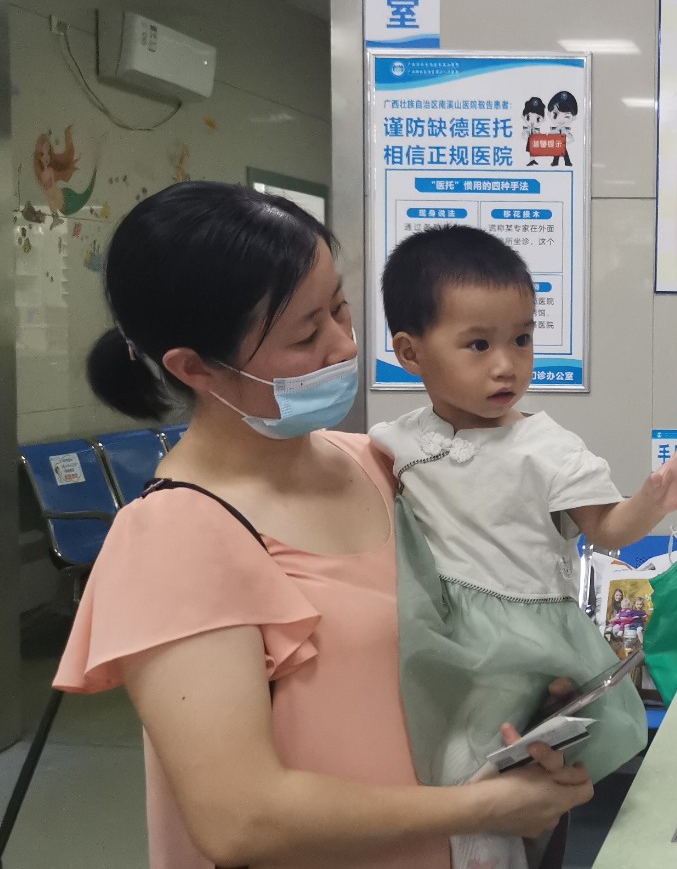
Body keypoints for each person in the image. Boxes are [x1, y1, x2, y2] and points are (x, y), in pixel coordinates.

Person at [57, 182, 592, 869]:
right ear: (195, 368)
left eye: (340, 308)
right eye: (306, 334)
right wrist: (486, 807)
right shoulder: (174, 538)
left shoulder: (384, 463)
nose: (342, 347)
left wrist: (533, 693)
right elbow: (239, 817)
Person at [370, 225, 677, 804]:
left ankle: (491, 834)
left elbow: (607, 529)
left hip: (521, 635)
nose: (507, 365)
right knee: (427, 751)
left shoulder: (549, 448)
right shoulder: (393, 442)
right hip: (433, 627)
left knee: (479, 766)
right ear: (410, 353)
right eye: (479, 345)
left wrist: (653, 500)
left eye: (522, 339)